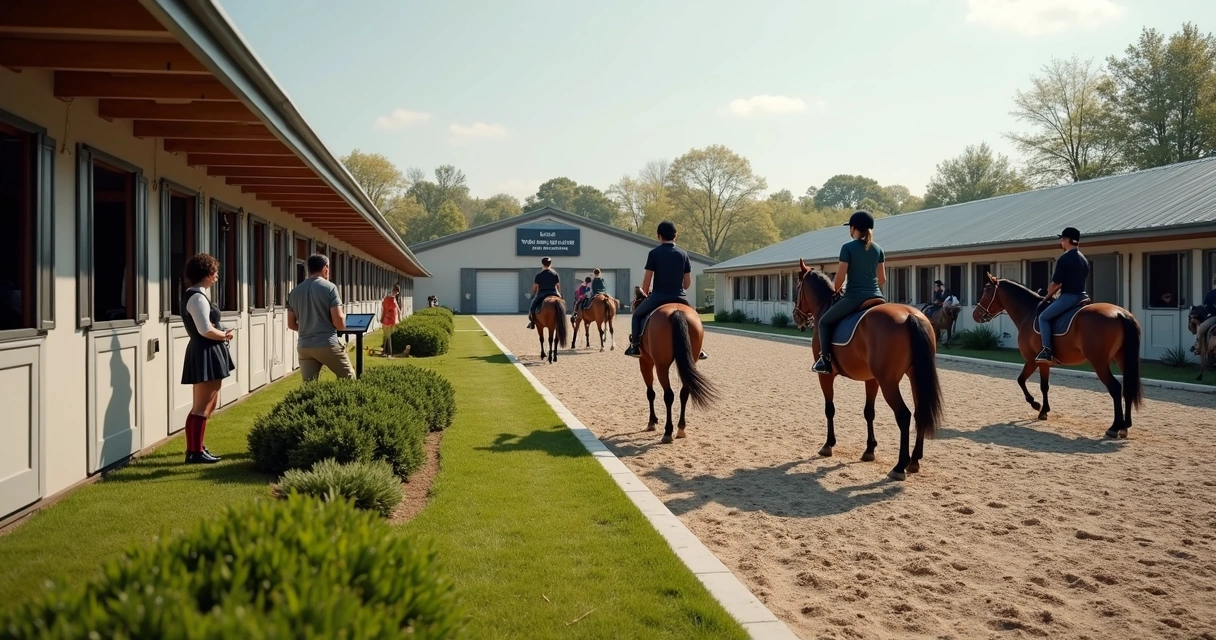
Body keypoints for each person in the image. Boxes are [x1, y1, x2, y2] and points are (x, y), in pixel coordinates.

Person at [811, 210, 887, 375]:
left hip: (855, 297)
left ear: (853, 228)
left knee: (824, 322)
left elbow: (840, 278)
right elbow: (882, 280)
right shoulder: (878, 249)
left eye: (850, 228)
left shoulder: (847, 248)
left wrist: (836, 290)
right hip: (877, 297)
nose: (849, 230)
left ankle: (825, 360)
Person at [624, 220, 708, 360]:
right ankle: (699, 348)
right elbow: (687, 283)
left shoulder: (654, 253)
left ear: (659, 236)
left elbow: (646, 282)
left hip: (658, 297)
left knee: (637, 315)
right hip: (680, 297)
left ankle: (635, 346)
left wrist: (645, 292)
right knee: (695, 318)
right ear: (676, 236)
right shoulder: (683, 254)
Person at [179, 253, 233, 464]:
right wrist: (225, 335)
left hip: (207, 350)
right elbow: (205, 330)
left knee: (209, 403)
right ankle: (194, 452)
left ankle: (198, 447)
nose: (217, 276)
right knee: (201, 406)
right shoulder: (197, 297)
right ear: (208, 274)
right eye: (215, 272)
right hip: (205, 350)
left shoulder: (197, 295)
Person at [287, 253, 355, 381]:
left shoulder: (294, 292)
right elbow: (339, 322)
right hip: (327, 342)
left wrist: (309, 328)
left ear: (309, 269)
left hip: (304, 346)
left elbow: (291, 324)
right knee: (348, 378)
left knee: (309, 386)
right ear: (325, 269)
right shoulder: (330, 288)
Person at [1035, 227, 1090, 363]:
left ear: (1067, 240)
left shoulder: (1064, 259)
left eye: (1062, 239)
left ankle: (1047, 350)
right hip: (1083, 297)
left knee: (1043, 317)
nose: (1061, 242)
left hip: (1069, 297)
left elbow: (1055, 284)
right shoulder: (1084, 259)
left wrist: (1047, 296)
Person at [527, 256, 561, 329]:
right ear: (550, 264)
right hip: (554, 292)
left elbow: (535, 286)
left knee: (532, 306)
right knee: (562, 304)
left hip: (542, 293)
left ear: (542, 264)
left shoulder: (539, 275)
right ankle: (562, 320)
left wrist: (534, 292)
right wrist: (559, 294)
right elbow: (557, 285)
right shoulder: (555, 274)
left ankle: (532, 322)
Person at [1195, 277, 1216, 357]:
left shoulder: (1210, 293)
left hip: (1213, 317)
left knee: (1200, 328)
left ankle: (1198, 347)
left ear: (1213, 283)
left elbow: (1206, 306)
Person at [380, 284, 401, 358]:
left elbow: (397, 310)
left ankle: (388, 352)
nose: (395, 293)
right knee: (388, 336)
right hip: (389, 320)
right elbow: (386, 309)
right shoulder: (390, 299)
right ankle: (388, 352)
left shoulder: (392, 299)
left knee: (388, 336)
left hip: (391, 320)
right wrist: (382, 318)